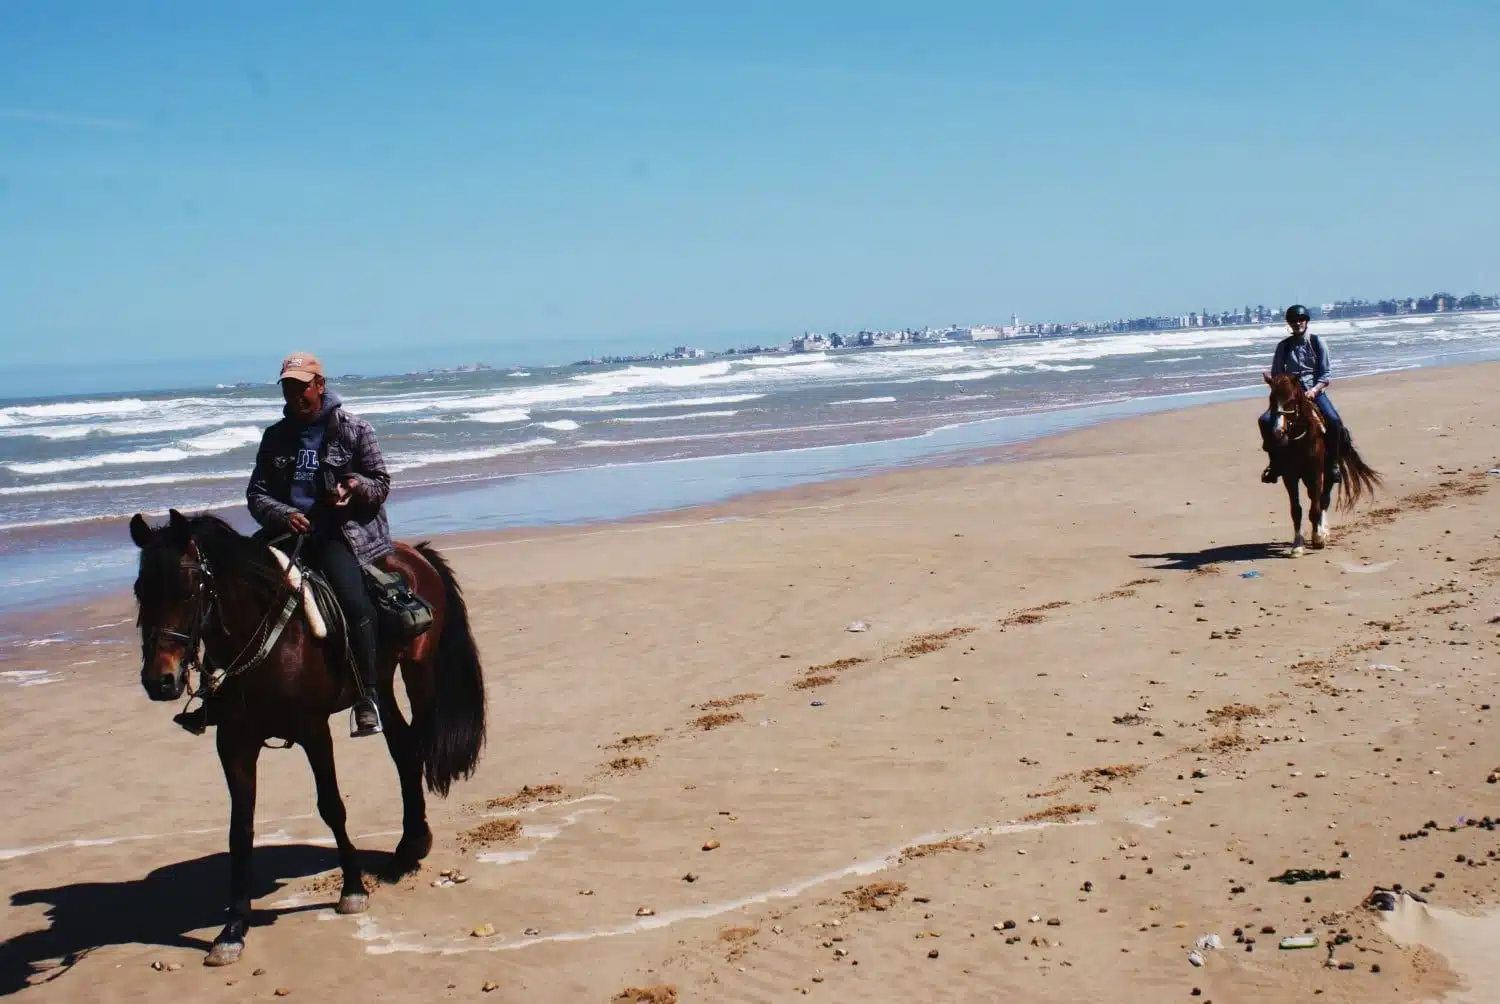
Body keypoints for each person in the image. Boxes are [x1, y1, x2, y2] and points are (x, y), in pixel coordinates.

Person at [242, 351, 393, 737]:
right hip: (285, 533)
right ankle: (219, 692)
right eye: (288, 388)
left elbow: (381, 484)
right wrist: (283, 514)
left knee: (357, 605)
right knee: (231, 585)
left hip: (335, 534)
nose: (295, 396)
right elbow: (256, 495)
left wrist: (354, 487)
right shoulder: (275, 437)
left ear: (320, 385)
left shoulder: (354, 430)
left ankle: (368, 697)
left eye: (302, 387)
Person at [1258, 304, 1343, 485]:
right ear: (1289, 323)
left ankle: (1333, 464)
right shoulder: (1283, 347)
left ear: (1306, 322)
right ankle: (1274, 464)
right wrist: (1273, 382)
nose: (1297, 323)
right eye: (1293, 321)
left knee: (1334, 420)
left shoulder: (1317, 343)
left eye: (1301, 320)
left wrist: (1314, 390)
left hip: (1314, 392)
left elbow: (1326, 375)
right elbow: (1278, 374)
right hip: (1291, 396)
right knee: (1264, 421)